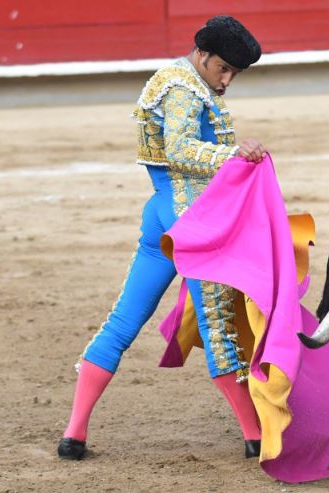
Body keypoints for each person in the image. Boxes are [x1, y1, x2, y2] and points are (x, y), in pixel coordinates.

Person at [58, 15, 266, 461]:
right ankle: (255, 437)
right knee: (217, 326)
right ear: (201, 54)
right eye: (223, 68)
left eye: (234, 73)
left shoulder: (174, 80)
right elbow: (180, 149)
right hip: (190, 219)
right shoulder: (184, 88)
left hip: (160, 216)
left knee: (122, 321)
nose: (226, 80)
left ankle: (73, 434)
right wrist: (234, 153)